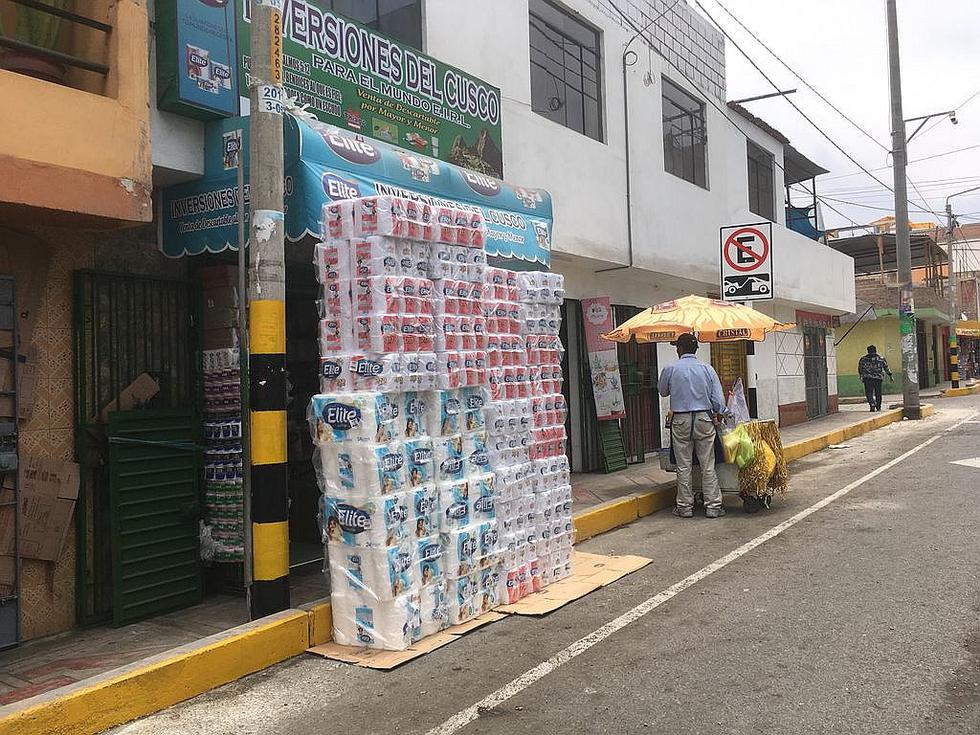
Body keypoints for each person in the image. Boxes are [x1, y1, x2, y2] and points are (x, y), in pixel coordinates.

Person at [658, 333, 728, 519]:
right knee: (708, 465)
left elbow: (663, 391)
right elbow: (718, 401)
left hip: (680, 420)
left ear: (679, 349)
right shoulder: (707, 369)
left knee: (683, 466)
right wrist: (724, 413)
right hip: (704, 419)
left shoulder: (670, 368)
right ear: (696, 349)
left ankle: (684, 507)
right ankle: (713, 506)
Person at [858, 345, 892, 412]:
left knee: (869, 392)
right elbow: (886, 367)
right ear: (875, 350)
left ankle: (872, 403)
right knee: (878, 393)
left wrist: (861, 375)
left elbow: (860, 368)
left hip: (867, 378)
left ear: (868, 351)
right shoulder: (881, 358)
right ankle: (878, 407)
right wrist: (890, 375)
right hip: (878, 378)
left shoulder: (863, 359)